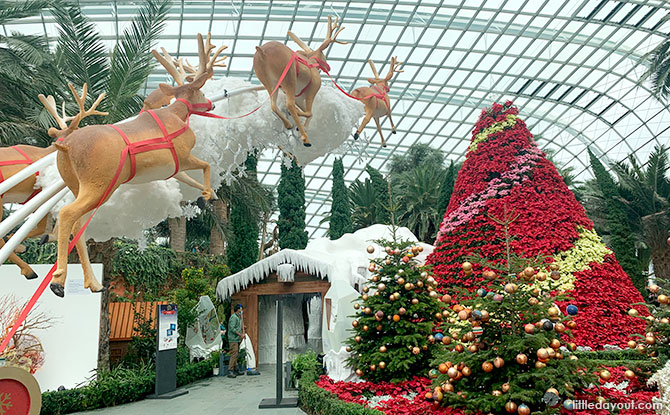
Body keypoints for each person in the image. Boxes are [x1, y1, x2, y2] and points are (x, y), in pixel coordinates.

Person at [227, 304, 244, 378]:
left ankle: (236, 369)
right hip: (233, 339)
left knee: (236, 354)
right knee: (234, 354)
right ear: (238, 310)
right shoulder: (233, 317)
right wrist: (240, 335)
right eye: (241, 309)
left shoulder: (238, 317)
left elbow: (237, 327)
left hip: (236, 339)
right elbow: (232, 328)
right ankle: (230, 370)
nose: (242, 311)